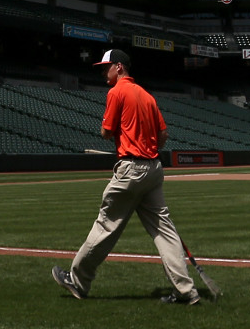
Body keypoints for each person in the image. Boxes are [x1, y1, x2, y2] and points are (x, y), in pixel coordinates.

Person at [52, 49, 199, 305]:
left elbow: (106, 132)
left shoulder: (117, 92)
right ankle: (186, 290)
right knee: (164, 231)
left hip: (131, 167)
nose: (102, 72)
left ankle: (78, 281)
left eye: (105, 67)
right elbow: (163, 135)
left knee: (106, 225)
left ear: (119, 67)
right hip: (153, 168)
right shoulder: (147, 95)